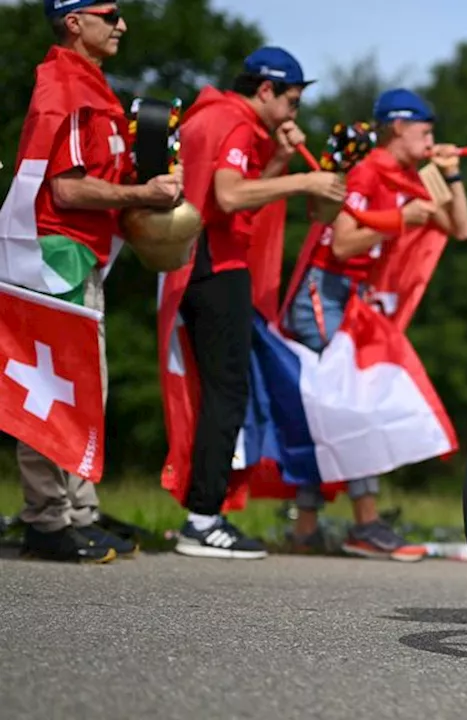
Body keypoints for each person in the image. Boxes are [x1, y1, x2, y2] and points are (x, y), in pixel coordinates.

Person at [3, 0, 183, 563]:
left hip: (79, 256)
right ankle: (45, 519)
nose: (122, 24)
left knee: (82, 389)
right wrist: (144, 196)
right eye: (110, 13)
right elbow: (67, 191)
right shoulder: (66, 85)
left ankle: (77, 511)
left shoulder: (92, 87)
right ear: (75, 22)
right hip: (54, 254)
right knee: (50, 387)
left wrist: (153, 167)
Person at [168, 46, 345, 559]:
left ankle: (203, 513)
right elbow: (227, 197)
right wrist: (307, 180)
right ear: (265, 90)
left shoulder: (213, 114)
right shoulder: (238, 121)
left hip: (198, 262)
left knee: (219, 391)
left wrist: (283, 159)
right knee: (228, 393)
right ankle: (203, 519)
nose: (294, 112)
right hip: (217, 266)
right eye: (291, 100)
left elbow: (239, 188)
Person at [281, 88, 455, 561]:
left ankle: (307, 528)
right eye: (426, 130)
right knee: (352, 404)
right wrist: (398, 219)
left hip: (351, 300)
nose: (432, 138)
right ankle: (364, 523)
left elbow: (459, 226)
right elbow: (341, 243)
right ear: (398, 127)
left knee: (325, 409)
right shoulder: (365, 170)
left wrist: (447, 174)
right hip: (325, 292)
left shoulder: (407, 173)